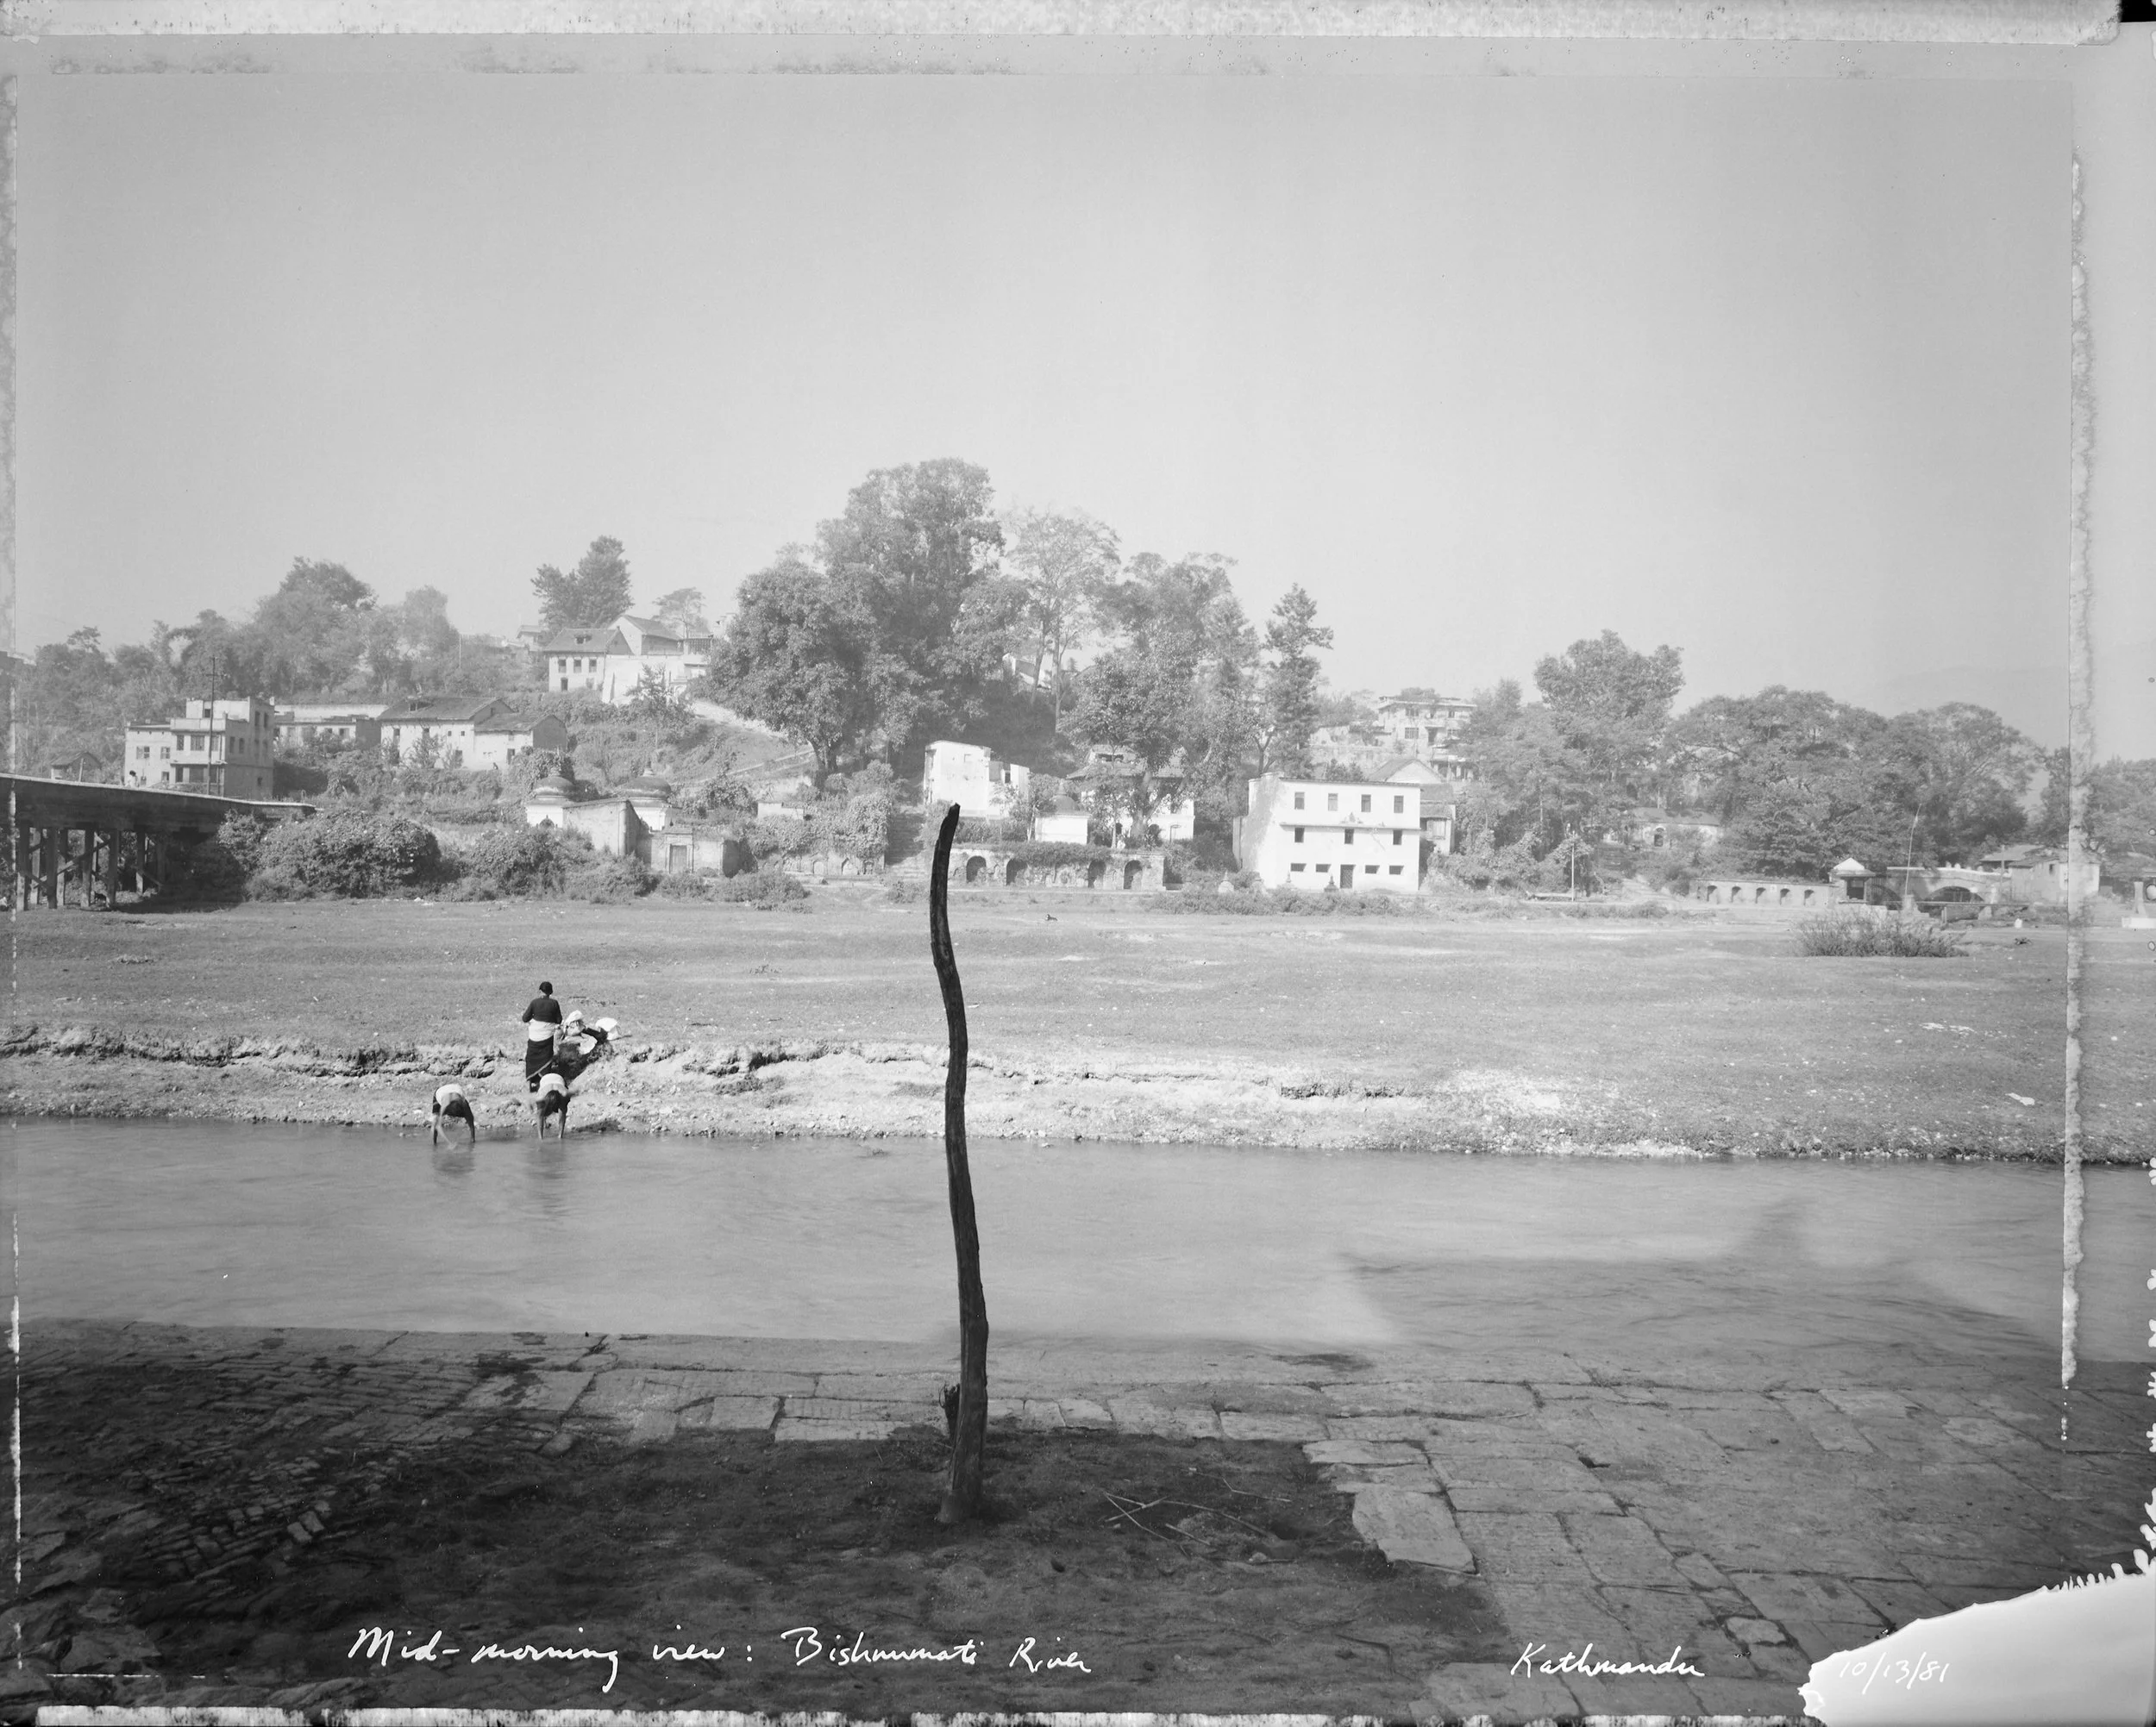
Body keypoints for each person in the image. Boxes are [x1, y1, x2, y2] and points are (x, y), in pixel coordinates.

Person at [521, 980, 564, 1092]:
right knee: (546, 1056)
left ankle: (530, 1081)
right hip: (547, 1035)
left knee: (531, 1057)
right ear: (551, 992)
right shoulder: (554, 1003)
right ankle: (544, 1081)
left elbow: (525, 1018)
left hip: (534, 1035)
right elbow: (559, 1020)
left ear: (540, 991)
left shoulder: (534, 1002)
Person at [430, 1080, 477, 1145]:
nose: (455, 1112)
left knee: (468, 1117)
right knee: (435, 1120)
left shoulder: (464, 1104)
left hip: (455, 1089)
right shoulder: (444, 1106)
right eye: (454, 1110)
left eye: (457, 1110)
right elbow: (438, 1126)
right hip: (441, 1091)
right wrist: (449, 1142)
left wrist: (473, 1140)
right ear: (449, 1107)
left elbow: (471, 1123)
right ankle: (434, 1143)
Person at [533, 1069, 572, 1138]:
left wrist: (540, 1139)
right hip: (550, 1081)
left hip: (556, 1081)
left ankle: (543, 1137)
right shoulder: (541, 1097)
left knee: (542, 1112)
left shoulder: (563, 1095)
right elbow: (562, 1115)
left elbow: (539, 1116)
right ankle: (559, 1135)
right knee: (561, 1110)